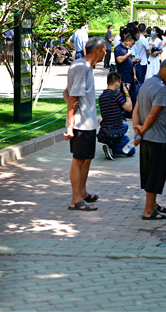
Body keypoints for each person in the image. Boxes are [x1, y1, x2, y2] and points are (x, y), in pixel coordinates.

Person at [132, 59, 166, 220]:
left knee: (149, 173)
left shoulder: (146, 84)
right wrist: (143, 129)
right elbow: (153, 113)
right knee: (155, 175)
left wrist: (138, 131)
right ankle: (148, 210)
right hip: (157, 139)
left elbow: (136, 110)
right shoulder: (161, 89)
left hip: (147, 139)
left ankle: (153, 204)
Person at [63, 37, 106, 211]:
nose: (106, 52)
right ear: (97, 50)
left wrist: (68, 101)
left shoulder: (85, 67)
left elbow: (67, 93)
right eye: (104, 49)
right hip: (80, 124)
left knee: (86, 159)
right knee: (78, 160)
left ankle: (82, 192)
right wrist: (70, 126)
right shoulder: (81, 68)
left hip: (88, 123)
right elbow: (72, 96)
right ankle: (76, 200)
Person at [98, 72, 134, 160]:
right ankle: (112, 149)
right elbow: (129, 108)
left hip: (105, 130)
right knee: (131, 149)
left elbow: (113, 103)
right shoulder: (116, 95)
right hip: (115, 130)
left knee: (126, 125)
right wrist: (126, 93)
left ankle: (110, 143)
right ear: (117, 83)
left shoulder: (101, 96)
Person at [114, 34, 138, 118]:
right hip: (123, 75)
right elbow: (119, 60)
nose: (132, 45)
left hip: (130, 75)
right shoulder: (118, 48)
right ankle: (120, 113)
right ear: (127, 41)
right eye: (132, 43)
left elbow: (130, 63)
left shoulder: (127, 49)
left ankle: (130, 113)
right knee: (123, 94)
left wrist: (134, 73)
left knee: (132, 95)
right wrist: (128, 54)